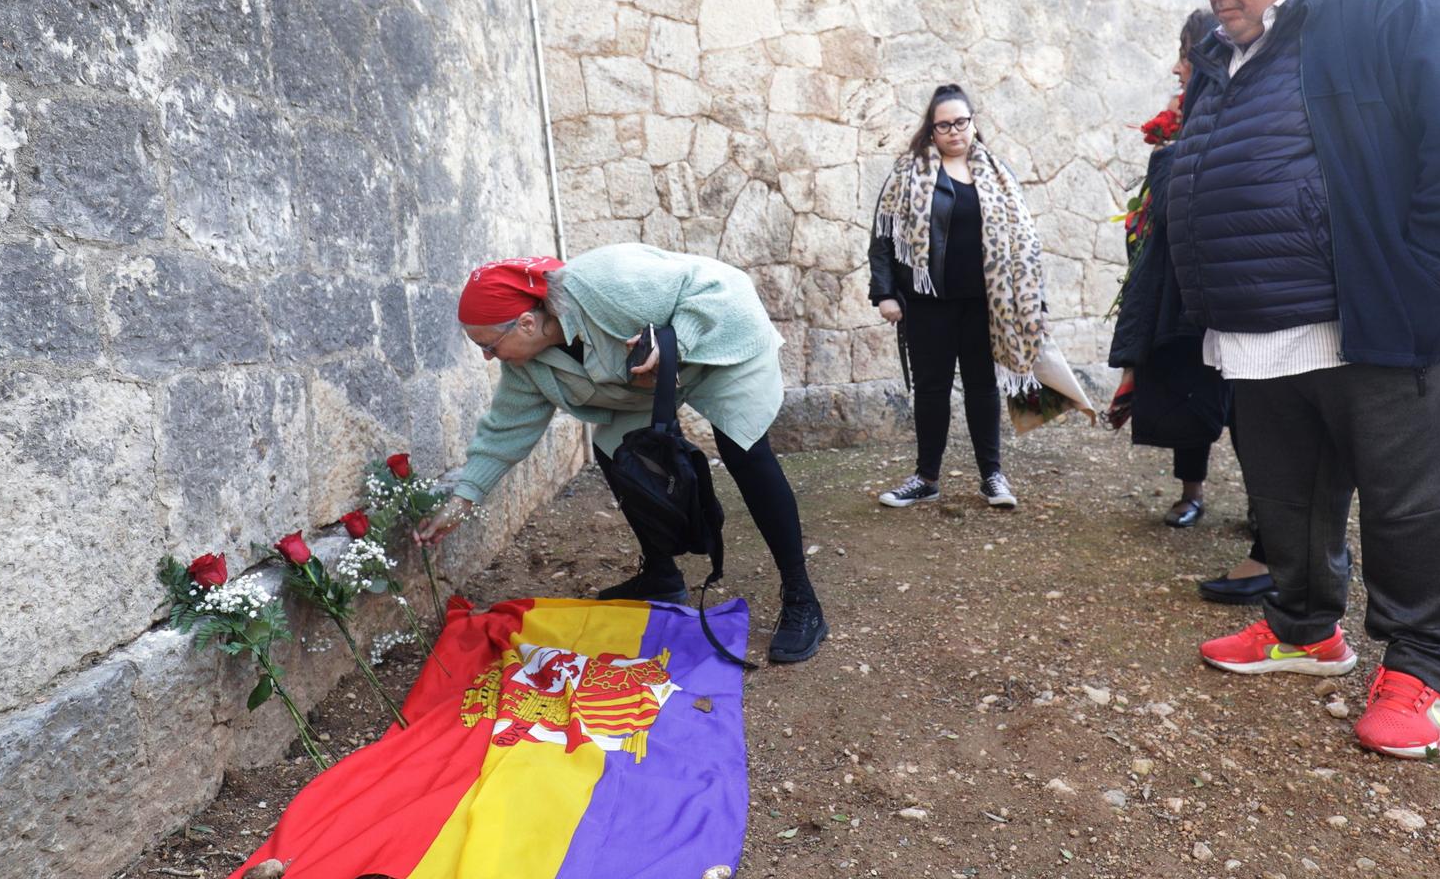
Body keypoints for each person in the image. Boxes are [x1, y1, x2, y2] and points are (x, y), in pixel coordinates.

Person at [1169, 0, 1440, 758]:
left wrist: (1422, 284)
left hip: (1373, 317)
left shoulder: (1393, 11)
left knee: (1411, 505)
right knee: (1286, 499)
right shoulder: (1227, 56)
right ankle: (1302, 628)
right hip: (1258, 331)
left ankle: (1424, 670)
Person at [416, 245, 828, 664]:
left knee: (743, 451)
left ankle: (801, 596)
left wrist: (677, 341)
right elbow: (505, 430)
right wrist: (463, 499)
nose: (488, 356)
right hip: (651, 382)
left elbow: (719, 288)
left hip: (719, 344)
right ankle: (661, 574)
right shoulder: (526, 367)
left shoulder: (607, 282)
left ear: (525, 323)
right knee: (617, 449)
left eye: (488, 345)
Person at [1104, 10, 1279, 604]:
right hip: (1185, 289)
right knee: (1187, 385)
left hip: (1237, 291)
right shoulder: (1186, 124)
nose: (1178, 67)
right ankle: (1192, 492)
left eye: (1186, 55)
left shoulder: (1239, 115)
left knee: (1253, 409)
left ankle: (1271, 520)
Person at [868, 83, 1047, 509]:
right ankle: (926, 477)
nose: (954, 131)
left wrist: (1034, 300)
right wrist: (885, 294)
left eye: (960, 122)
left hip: (988, 305)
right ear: (931, 131)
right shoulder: (907, 174)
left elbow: (1026, 244)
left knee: (983, 388)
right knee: (931, 391)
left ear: (973, 123)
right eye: (944, 125)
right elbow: (883, 238)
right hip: (928, 304)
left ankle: (992, 476)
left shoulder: (998, 174)